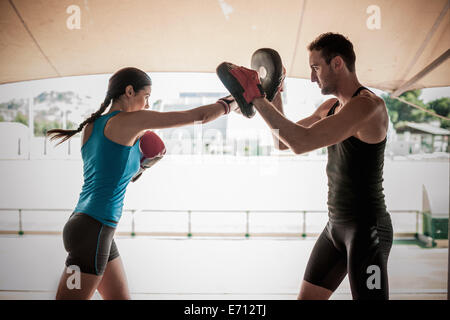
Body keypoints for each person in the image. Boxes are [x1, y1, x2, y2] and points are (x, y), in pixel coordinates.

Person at [217, 33, 393, 300]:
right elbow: (283, 143)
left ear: (337, 64)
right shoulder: (331, 107)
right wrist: (273, 91)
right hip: (336, 226)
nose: (312, 78)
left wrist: (255, 96)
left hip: (368, 229)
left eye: (315, 68)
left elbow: (301, 142)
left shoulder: (368, 106)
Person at [47, 67, 237, 300]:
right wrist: (234, 100)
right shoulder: (130, 122)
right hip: (94, 230)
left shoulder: (91, 126)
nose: (147, 105)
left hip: (88, 226)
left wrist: (142, 164)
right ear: (129, 91)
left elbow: (112, 173)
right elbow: (198, 116)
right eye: (146, 97)